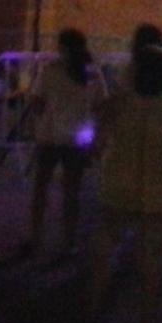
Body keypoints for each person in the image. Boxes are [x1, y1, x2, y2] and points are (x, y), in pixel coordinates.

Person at [89, 45, 162, 323]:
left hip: (118, 186)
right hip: (159, 190)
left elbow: (95, 143)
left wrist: (103, 156)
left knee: (106, 248)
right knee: (151, 264)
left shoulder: (117, 104)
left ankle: (92, 310)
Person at [24, 28, 103, 257]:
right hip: (78, 139)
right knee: (72, 193)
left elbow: (37, 103)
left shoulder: (50, 71)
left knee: (41, 189)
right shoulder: (93, 74)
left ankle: (35, 236)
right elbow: (101, 106)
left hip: (49, 136)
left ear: (63, 48)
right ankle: (69, 241)